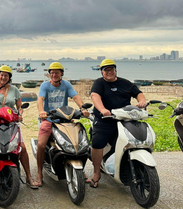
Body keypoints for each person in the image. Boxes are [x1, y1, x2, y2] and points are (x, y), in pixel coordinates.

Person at [0, 65, 40, 189]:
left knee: (22, 147)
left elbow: (19, 106)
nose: (3, 77)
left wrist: (20, 113)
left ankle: (29, 177)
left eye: (6, 75)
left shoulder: (15, 90)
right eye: (1, 75)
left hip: (11, 122)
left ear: (9, 77)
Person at [88, 59, 147, 188]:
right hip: (105, 119)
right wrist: (103, 110)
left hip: (124, 119)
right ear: (102, 72)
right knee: (97, 143)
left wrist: (142, 101)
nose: (109, 72)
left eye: (111, 69)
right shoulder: (99, 83)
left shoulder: (125, 83)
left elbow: (139, 93)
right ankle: (96, 173)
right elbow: (95, 96)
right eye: (106, 70)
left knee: (129, 142)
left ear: (115, 70)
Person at [35, 62, 88, 187]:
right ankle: (39, 172)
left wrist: (83, 108)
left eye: (57, 72)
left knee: (78, 141)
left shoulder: (66, 84)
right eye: (52, 73)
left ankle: (81, 169)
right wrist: (42, 111)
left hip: (65, 118)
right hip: (49, 119)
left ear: (61, 74)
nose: (54, 75)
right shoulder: (45, 85)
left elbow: (75, 97)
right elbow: (40, 99)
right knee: (41, 144)